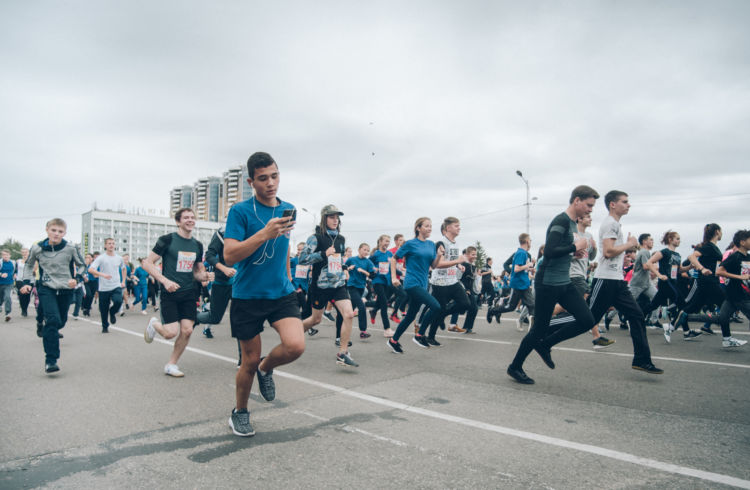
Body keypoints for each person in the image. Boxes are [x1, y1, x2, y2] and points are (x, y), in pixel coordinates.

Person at [534, 190, 663, 378]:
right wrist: (630, 245)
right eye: (625, 202)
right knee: (587, 319)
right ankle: (544, 331)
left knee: (636, 316)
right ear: (613, 204)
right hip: (605, 280)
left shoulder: (616, 225)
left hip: (617, 281)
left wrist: (625, 249)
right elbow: (609, 252)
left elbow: (607, 252)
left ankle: (642, 360)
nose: (629, 205)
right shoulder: (610, 224)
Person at [223, 151, 305, 437]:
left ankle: (267, 369)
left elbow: (283, 247)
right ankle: (240, 412)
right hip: (248, 295)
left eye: (275, 176)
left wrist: (288, 276)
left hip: (281, 293)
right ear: (250, 181)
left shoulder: (289, 208)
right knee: (248, 361)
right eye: (263, 178)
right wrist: (263, 234)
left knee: (295, 346)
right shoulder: (240, 211)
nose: (271, 183)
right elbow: (230, 255)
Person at [507, 185, 599, 384]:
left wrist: (573, 252)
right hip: (547, 283)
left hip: (563, 282)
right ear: (577, 201)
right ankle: (515, 367)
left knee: (587, 319)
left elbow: (560, 249)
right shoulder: (562, 221)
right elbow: (548, 251)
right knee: (538, 329)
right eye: (589, 205)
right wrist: (575, 246)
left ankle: (546, 344)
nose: (591, 209)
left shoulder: (573, 224)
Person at [142, 208, 213, 377]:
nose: (190, 220)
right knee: (170, 333)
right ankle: (154, 324)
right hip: (170, 292)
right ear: (178, 221)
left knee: (187, 330)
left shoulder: (197, 245)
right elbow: (147, 263)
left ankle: (171, 364)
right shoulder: (167, 240)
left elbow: (197, 272)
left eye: (192, 217)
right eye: (186, 217)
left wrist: (207, 275)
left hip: (189, 292)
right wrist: (165, 281)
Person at [20, 218, 84, 374]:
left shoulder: (70, 248)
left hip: (65, 289)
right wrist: (26, 282)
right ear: (47, 230)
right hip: (46, 288)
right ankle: (51, 360)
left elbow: (82, 266)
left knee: (60, 322)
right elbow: (28, 265)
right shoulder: (37, 248)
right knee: (53, 320)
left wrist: (76, 279)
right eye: (53, 230)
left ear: (65, 233)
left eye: (60, 231)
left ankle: (43, 322)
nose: (56, 234)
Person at [299, 205, 359, 367]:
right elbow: (302, 259)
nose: (335, 220)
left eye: (337, 217)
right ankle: (293, 334)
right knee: (315, 319)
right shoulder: (316, 238)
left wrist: (344, 269)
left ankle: (342, 352)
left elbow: (338, 259)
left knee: (348, 314)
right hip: (320, 286)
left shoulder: (341, 239)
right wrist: (322, 254)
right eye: (332, 217)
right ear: (324, 218)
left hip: (338, 284)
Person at [386, 217, 445, 353]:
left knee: (411, 315)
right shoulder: (410, 244)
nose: (430, 228)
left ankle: (393, 341)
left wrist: (439, 256)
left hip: (423, 283)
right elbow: (394, 259)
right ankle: (419, 335)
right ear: (418, 228)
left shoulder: (431, 244)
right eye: (426, 226)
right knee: (436, 306)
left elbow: (433, 266)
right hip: (412, 283)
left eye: (431, 226)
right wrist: (394, 277)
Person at [424, 217, 470, 343]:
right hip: (440, 282)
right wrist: (458, 261)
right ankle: (430, 337)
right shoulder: (441, 243)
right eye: (456, 226)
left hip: (452, 280)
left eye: (459, 225)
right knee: (438, 309)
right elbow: (438, 264)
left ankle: (443, 314)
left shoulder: (456, 243)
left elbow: (451, 260)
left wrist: (457, 265)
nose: (459, 228)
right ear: (448, 228)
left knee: (465, 304)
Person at [489, 233, 536, 332]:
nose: (531, 242)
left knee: (531, 305)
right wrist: (528, 266)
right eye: (530, 240)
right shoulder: (521, 253)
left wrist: (530, 269)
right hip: (518, 284)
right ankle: (492, 310)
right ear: (527, 241)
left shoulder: (524, 254)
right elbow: (516, 268)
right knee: (511, 307)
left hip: (524, 283)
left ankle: (533, 327)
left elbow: (522, 268)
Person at [197, 227, 236, 338]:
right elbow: (209, 256)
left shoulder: (252, 230)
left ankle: (243, 354)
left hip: (241, 284)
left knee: (242, 319)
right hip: (222, 282)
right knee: (215, 317)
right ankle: (190, 316)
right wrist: (224, 269)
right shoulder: (222, 233)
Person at [716, 230, 750, 348]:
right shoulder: (734, 257)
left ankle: (686, 316)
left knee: (722, 318)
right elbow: (719, 271)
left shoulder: (748, 257)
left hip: (735, 295)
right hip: (739, 294)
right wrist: (739, 277)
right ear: (742, 242)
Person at [88, 238, 127, 334]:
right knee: (103, 309)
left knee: (118, 301)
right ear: (105, 245)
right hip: (104, 288)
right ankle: (105, 326)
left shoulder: (119, 258)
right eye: (109, 243)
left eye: (113, 243)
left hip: (116, 285)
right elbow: (91, 270)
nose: (111, 245)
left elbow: (124, 269)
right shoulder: (101, 258)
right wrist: (102, 274)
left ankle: (112, 312)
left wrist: (123, 281)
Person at [369, 235, 399, 337]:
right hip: (377, 281)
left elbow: (392, 267)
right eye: (386, 241)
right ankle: (387, 329)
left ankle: (373, 311)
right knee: (384, 304)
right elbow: (368, 263)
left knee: (381, 301)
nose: (387, 243)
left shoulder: (390, 254)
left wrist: (401, 273)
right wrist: (373, 269)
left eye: (388, 242)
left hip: (387, 281)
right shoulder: (375, 254)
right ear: (380, 242)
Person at [345, 243, 376, 339]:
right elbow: (343, 268)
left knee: (351, 309)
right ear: (359, 249)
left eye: (368, 250)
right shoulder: (352, 259)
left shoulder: (368, 262)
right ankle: (363, 331)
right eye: (364, 249)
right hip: (351, 286)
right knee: (362, 307)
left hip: (361, 287)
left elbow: (372, 275)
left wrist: (362, 271)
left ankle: (341, 321)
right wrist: (349, 268)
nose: (366, 252)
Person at [449, 246, 479, 334]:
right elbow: (458, 278)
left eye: (475, 254)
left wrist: (476, 291)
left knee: (473, 308)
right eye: (472, 254)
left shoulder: (474, 267)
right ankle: (450, 322)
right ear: (467, 254)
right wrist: (464, 289)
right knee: (461, 306)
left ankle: (467, 327)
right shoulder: (463, 265)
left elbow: (473, 281)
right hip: (462, 289)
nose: (474, 256)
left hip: (470, 291)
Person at [14, 248, 31, 317]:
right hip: (19, 280)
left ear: (28, 253)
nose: (24, 254)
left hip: (29, 280)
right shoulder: (18, 261)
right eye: (23, 252)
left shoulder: (31, 261)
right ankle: (23, 310)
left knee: (27, 296)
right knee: (22, 294)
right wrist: (14, 274)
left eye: (26, 252)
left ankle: (25, 308)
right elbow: (15, 270)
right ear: (21, 253)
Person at [0, 250, 14, 321]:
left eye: (7, 255)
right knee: (1, 298)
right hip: (0, 283)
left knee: (7, 297)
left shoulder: (13, 263)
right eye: (4, 255)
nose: (5, 256)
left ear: (9, 255)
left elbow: (15, 271)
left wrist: (15, 274)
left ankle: (8, 313)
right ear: (2, 256)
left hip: (9, 283)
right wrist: (1, 274)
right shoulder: (0, 262)